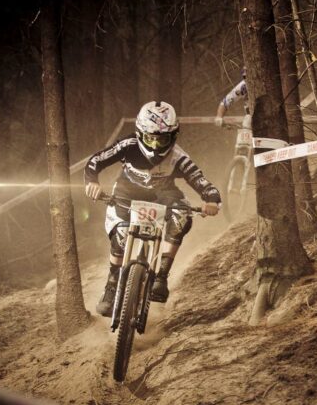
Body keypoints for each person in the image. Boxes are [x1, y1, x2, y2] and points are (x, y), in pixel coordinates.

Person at [84, 101, 221, 317]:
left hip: (163, 194)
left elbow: (200, 180)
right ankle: (112, 285)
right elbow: (95, 161)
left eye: (162, 139)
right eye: (150, 139)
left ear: (173, 137)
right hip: (126, 192)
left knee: (181, 215)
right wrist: (92, 181)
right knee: (121, 233)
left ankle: (161, 277)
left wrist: (212, 200)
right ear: (140, 134)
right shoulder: (128, 145)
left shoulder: (178, 156)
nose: (156, 146)